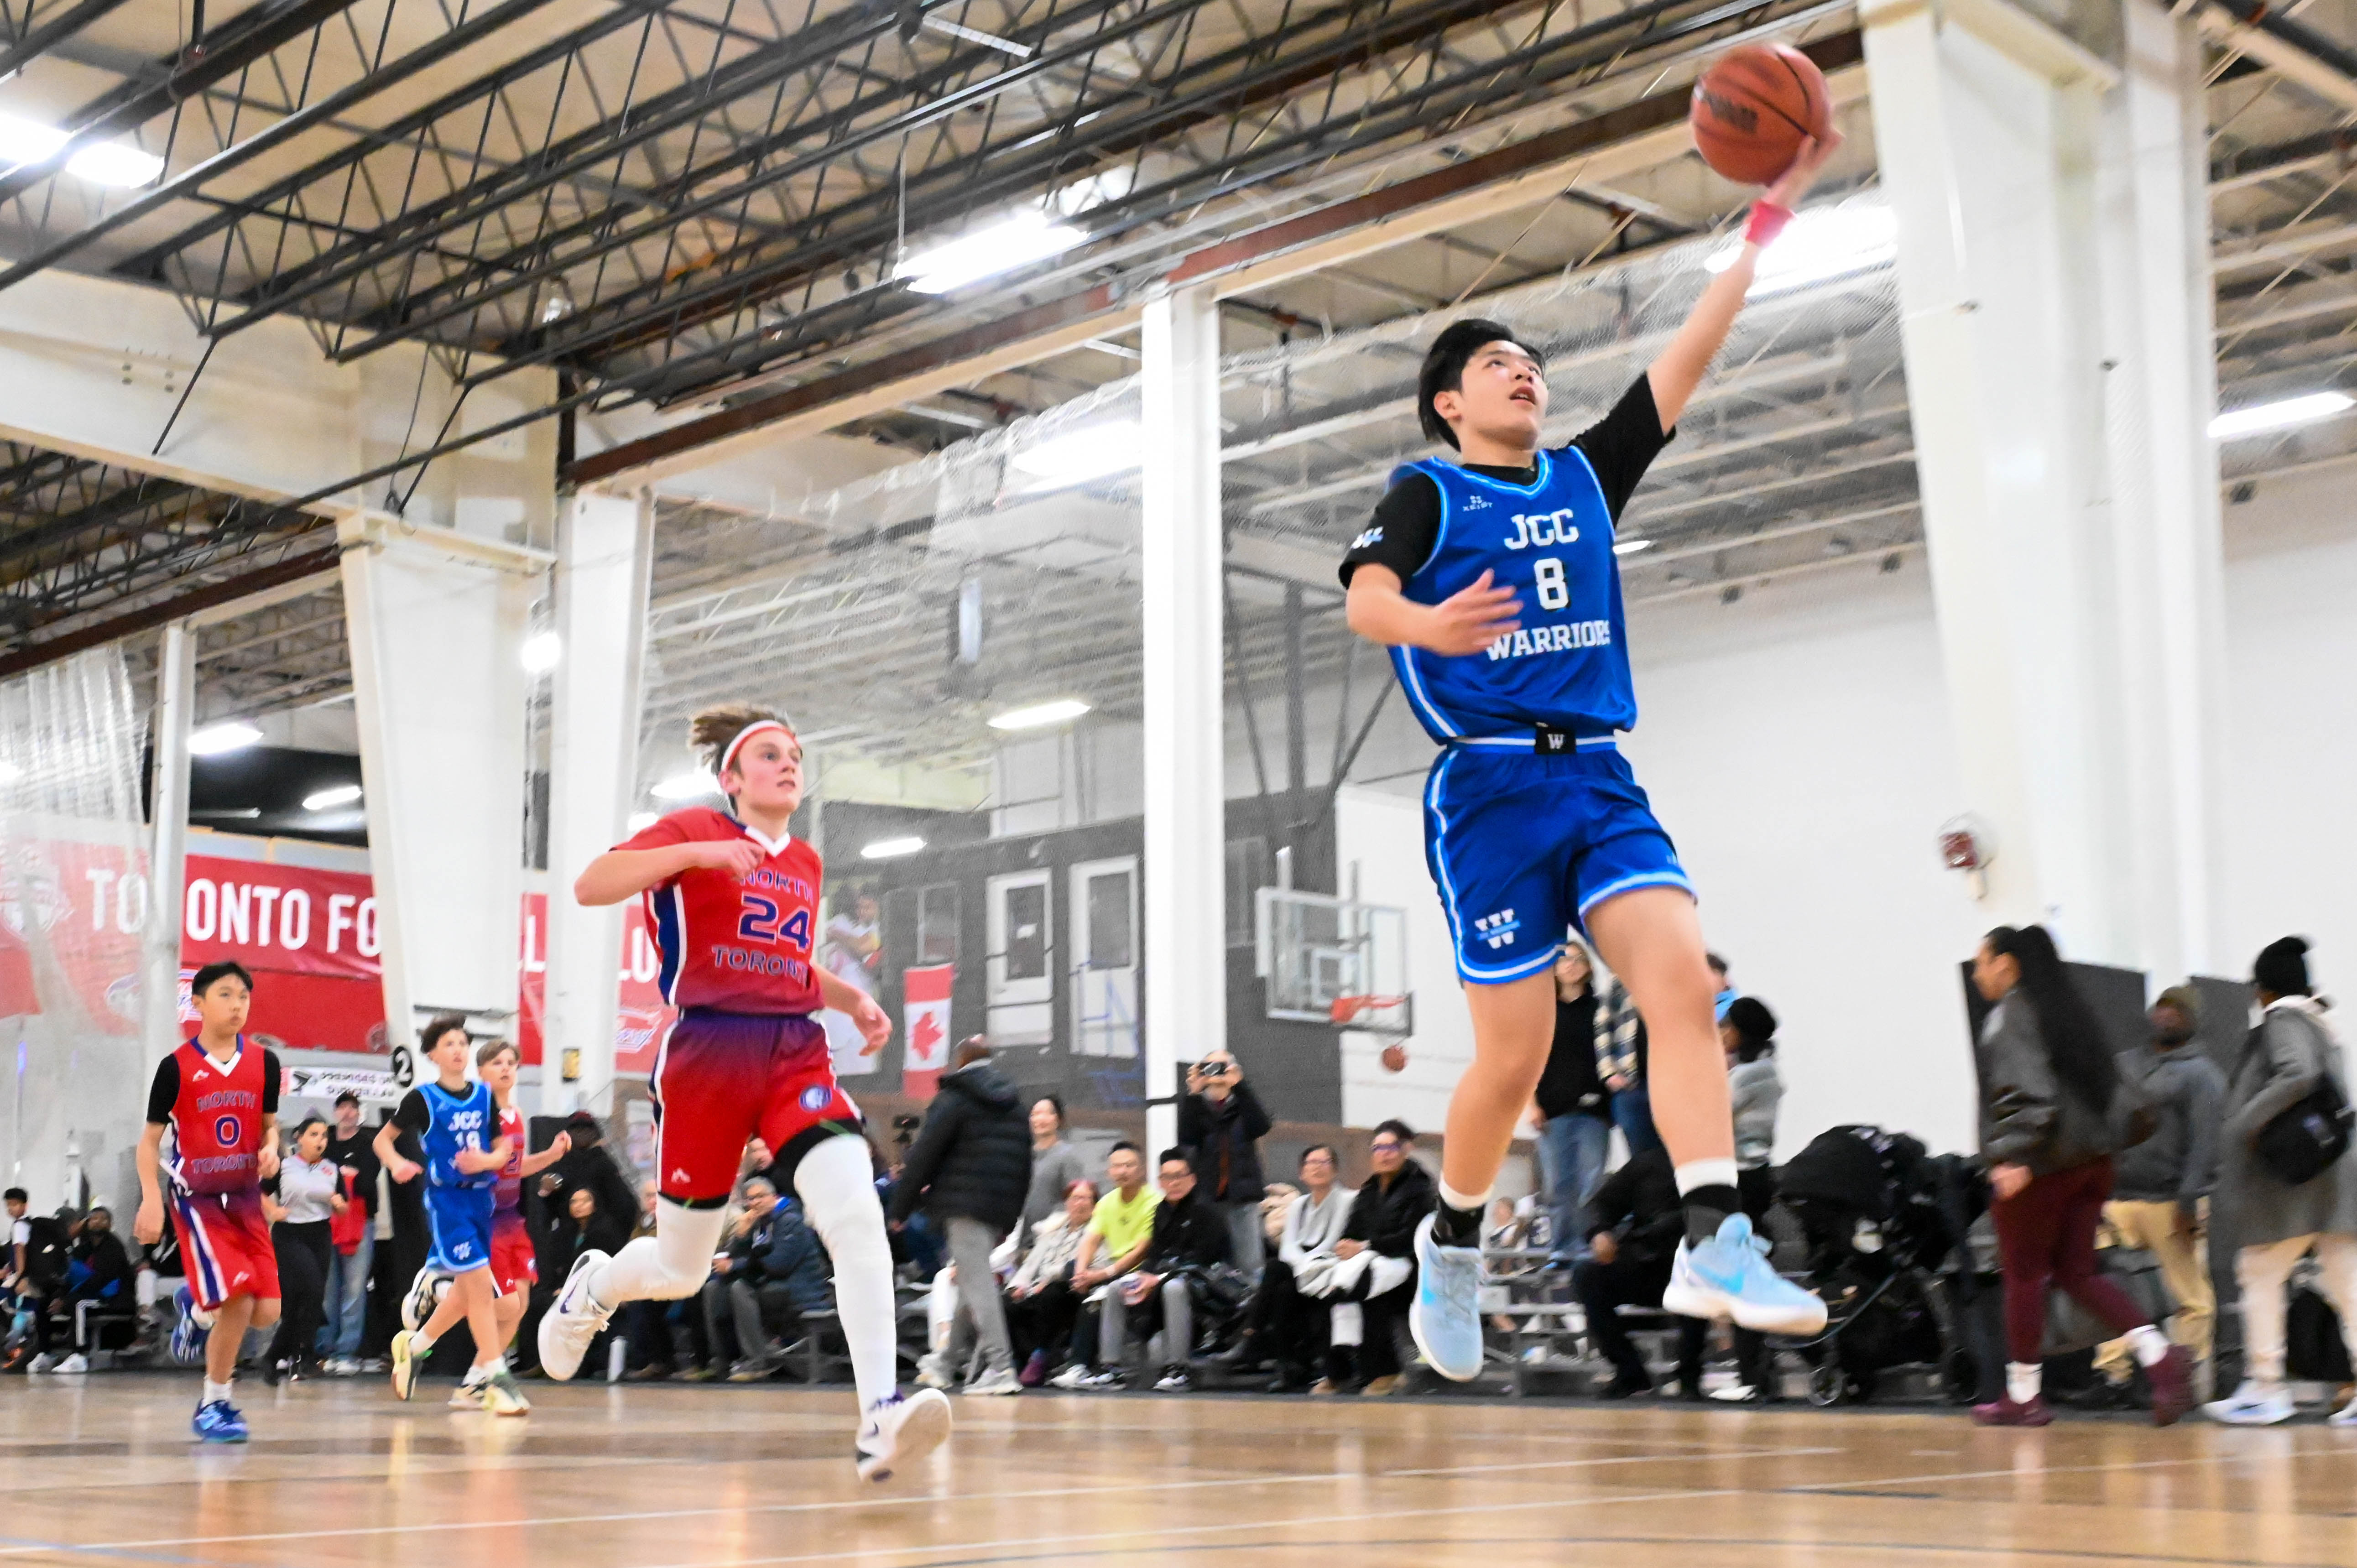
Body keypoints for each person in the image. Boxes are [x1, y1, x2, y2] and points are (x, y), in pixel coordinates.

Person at [1332, 149, 1847, 1374]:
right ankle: (1449, 1242)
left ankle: (1714, 1233)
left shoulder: (1581, 476)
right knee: (1509, 1058)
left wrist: (1765, 224)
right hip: (1490, 789)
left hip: (1599, 777)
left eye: (1531, 361)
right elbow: (1362, 601)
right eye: (1494, 363)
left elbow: (1686, 353)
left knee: (1681, 985)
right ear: (1450, 403)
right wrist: (1428, 622)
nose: (1524, 370)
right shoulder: (1426, 491)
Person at [545, 703, 950, 1482]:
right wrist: (698, 852)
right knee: (683, 1267)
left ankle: (881, 1414)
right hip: (708, 1053)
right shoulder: (691, 828)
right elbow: (593, 885)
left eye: (794, 754)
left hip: (794, 1051)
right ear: (732, 778)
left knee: (857, 1215)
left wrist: (850, 999)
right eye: (769, 754)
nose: (788, 764)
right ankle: (592, 1286)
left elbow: (786, 961)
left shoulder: (804, 860)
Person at [1969, 926, 2192, 1426]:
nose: (1979, 971)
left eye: (1982, 960)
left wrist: (2010, 1155)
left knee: (2023, 1276)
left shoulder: (2011, 1016)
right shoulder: (2068, 1011)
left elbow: (2028, 1094)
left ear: (2007, 964)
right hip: (2091, 1164)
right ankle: (2160, 1357)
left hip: (2040, 1165)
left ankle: (2024, 1394)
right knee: (2078, 1272)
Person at [2206, 938, 2357, 1426]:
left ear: (2263, 989)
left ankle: (2266, 1387)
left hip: (2294, 1185)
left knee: (2260, 1272)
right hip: (2334, 1179)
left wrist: (2245, 1120)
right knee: (2348, 1283)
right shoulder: (2320, 1021)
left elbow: (2298, 1072)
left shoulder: (2284, 1021)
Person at [132, 961, 283, 1442]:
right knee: (238, 1299)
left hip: (245, 1198)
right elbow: (148, 1141)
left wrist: (273, 1149)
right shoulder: (176, 1066)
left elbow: (269, 1125)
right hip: (197, 1199)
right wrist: (151, 1198)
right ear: (197, 1002)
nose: (237, 1004)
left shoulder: (266, 1062)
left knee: (268, 1311)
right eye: (225, 994)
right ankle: (215, 1403)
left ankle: (196, 1306)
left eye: (244, 995)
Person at [376, 1017, 530, 1415]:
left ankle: (415, 1345)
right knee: (480, 1289)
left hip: (484, 1203)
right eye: (450, 1043)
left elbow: (502, 1151)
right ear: (433, 1054)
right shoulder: (423, 1098)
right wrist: (396, 1164)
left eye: (463, 1042)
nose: (459, 1049)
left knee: (470, 1294)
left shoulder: (483, 1096)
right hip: (448, 1204)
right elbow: (383, 1140)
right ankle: (495, 1378)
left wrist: (487, 1159)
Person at [2091, 986, 2224, 1404]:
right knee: (2108, 1288)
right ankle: (2114, 1376)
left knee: (2191, 1297)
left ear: (2193, 1020)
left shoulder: (2203, 1075)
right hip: (2118, 1198)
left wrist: (2189, 1199)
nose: (2167, 1015)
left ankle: (2185, 1376)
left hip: (2171, 1201)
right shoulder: (2123, 1066)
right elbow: (2102, 1128)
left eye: (2178, 1010)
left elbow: (2206, 1143)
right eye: (2162, 1007)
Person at [889, 1037, 1032, 1395]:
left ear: (961, 1059)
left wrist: (900, 1209)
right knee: (973, 1280)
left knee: (978, 1283)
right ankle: (946, 1362)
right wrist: (1011, 1216)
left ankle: (1001, 1368)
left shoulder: (955, 1097)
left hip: (963, 1205)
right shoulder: (1015, 1105)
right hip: (998, 1208)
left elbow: (924, 1155)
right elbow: (1024, 1164)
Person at [1088, 1148, 1231, 1391]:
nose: (1173, 1183)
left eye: (1179, 1176)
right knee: (1116, 1288)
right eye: (1167, 1177)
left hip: (1202, 1283)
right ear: (1160, 1182)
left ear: (1192, 1178)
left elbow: (1204, 1259)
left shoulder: (1207, 1211)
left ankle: (1178, 1369)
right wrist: (1144, 1275)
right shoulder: (1161, 1211)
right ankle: (1110, 1368)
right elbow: (1155, 1254)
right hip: (1163, 1278)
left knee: (1174, 1288)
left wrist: (1160, 1278)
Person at [1571, 1146, 1705, 1399]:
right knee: (1587, 1275)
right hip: (1647, 1262)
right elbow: (1602, 1204)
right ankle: (1630, 1372)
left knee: (1697, 1275)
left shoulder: (1714, 1166)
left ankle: (1690, 1377)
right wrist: (1600, 1232)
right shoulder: (1649, 1161)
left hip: (1694, 1264)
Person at [1227, 1145, 1355, 1390]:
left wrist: (1301, 1269)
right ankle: (1291, 1368)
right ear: (1302, 1172)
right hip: (1300, 1276)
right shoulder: (1299, 1205)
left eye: (1324, 1162)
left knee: (1277, 1271)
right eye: (1311, 1163)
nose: (1317, 1168)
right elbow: (1289, 1248)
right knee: (1282, 1287)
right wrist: (1300, 1271)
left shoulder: (1347, 1200)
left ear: (1335, 1169)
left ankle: (1252, 1336)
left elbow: (1331, 1244)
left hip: (1328, 1273)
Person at [477, 1039, 569, 1378]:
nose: (505, 1068)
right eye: (497, 1062)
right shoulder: (478, 1117)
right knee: (504, 1304)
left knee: (522, 1303)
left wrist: (551, 1155)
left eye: (511, 1063)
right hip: (485, 1219)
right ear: (481, 1071)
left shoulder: (516, 1115)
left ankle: (483, 1376)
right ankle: (435, 1297)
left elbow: (516, 1168)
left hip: (513, 1220)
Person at [1320, 1121, 1433, 1396]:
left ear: (1406, 1149)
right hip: (1371, 1265)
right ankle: (1339, 1373)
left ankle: (1385, 1372)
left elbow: (1412, 1238)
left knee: (1370, 1295)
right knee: (1331, 1294)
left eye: (1391, 1147)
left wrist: (1366, 1246)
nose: (1384, 1154)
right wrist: (1346, 1246)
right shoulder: (1369, 1189)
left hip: (1413, 1270)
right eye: (1378, 1148)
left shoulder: (1420, 1188)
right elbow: (1352, 1230)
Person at [1712, 995, 1784, 1401]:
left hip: (1746, 1181)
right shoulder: (1753, 1071)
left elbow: (1711, 1111)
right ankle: (1751, 1372)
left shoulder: (1755, 1074)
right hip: (1739, 1179)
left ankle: (1752, 1375)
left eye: (1727, 1026)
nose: (1722, 1033)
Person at [1048, 1144, 1159, 1389]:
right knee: (1067, 1280)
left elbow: (1141, 1249)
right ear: (1109, 1171)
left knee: (1096, 1295)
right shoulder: (1108, 1202)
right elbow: (1090, 1239)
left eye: (1129, 1165)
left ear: (1141, 1170)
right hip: (1109, 1271)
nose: (1123, 1171)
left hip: (1137, 1273)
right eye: (1117, 1166)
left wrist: (1104, 1273)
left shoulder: (1153, 1201)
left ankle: (1080, 1365)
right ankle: (1051, 1360)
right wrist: (1080, 1271)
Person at [1533, 941, 1612, 1265]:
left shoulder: (1602, 1010)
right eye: (1564, 960)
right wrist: (1532, 1105)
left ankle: (1586, 1245)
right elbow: (1528, 1063)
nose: (1571, 964)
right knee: (1557, 1184)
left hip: (1594, 1111)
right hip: (1554, 1112)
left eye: (1579, 959)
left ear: (1589, 967)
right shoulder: (1543, 1012)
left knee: (1591, 1182)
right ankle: (1561, 1247)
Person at [1179, 1050, 1274, 1277]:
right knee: (1211, 1266)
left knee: (1250, 1266)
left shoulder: (1243, 1103)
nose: (1217, 1072)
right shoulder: (1198, 1106)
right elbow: (1187, 1138)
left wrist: (1239, 1086)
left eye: (1223, 1067)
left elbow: (1261, 1126)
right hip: (1209, 1199)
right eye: (1211, 1067)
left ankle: (1252, 1310)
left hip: (1243, 1197)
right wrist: (1194, 1091)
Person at [263, 1116, 342, 1384]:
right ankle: (303, 1354)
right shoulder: (285, 1166)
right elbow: (260, 1192)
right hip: (290, 1235)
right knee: (311, 1290)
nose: (320, 1141)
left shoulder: (332, 1168)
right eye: (314, 1135)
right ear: (299, 1138)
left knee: (306, 1301)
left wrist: (338, 1203)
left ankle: (277, 1358)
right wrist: (274, 1211)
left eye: (324, 1136)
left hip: (320, 1233)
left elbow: (344, 1206)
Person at [1006, 1178, 1097, 1385]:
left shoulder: (1096, 1231)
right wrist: (1018, 1286)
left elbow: (1079, 1266)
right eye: (1075, 1198)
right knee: (1007, 1303)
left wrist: (1048, 1278)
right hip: (1037, 1286)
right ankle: (1019, 1358)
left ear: (1094, 1204)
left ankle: (1041, 1356)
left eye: (1085, 1199)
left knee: (1051, 1295)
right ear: (1067, 1202)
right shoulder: (1053, 1230)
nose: (1079, 1204)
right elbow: (1031, 1264)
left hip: (1071, 1288)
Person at [319, 1091, 381, 1374]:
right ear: (335, 1112)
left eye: (353, 1108)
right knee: (328, 1288)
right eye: (342, 1108)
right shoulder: (325, 1141)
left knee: (355, 1289)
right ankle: (324, 1348)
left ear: (359, 1113)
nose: (347, 1113)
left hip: (359, 1222)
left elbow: (368, 1182)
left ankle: (347, 1351)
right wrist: (345, 1177)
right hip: (324, 1221)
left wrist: (341, 1179)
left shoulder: (369, 1144)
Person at [1019, 1095, 1090, 1242]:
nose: (1041, 1119)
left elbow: (1075, 1200)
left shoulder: (1067, 1156)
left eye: (1047, 1113)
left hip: (1052, 1240)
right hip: (1019, 1240)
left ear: (1058, 1120)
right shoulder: (1022, 1156)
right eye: (1035, 1114)